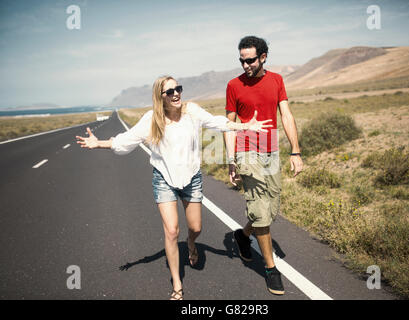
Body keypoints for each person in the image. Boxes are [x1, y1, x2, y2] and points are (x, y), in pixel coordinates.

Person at [76, 75, 271, 300]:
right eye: (170, 91)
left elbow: (218, 122)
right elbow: (126, 140)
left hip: (191, 178)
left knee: (196, 228)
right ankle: (177, 284)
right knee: (171, 231)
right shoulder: (152, 119)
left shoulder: (192, 112)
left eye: (178, 88)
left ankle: (190, 242)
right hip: (164, 179)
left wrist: (246, 125)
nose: (176, 93)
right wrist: (99, 143)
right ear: (161, 97)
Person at [224, 36, 303, 295]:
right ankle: (270, 269)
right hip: (247, 151)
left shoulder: (277, 80)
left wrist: (295, 150)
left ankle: (243, 236)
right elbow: (229, 124)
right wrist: (231, 159)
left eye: (250, 60)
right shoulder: (234, 85)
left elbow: (286, 114)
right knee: (259, 208)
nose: (246, 65)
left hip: (271, 150)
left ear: (263, 57)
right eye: (242, 60)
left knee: (270, 209)